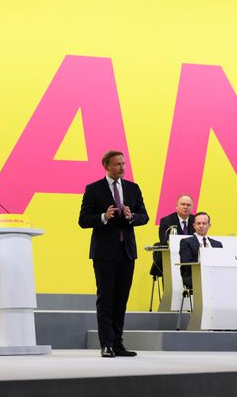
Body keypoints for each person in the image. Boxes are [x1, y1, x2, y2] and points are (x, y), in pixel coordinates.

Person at [78, 150, 149, 358]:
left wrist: (132, 216)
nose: (122, 168)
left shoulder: (133, 188)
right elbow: (83, 220)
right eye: (117, 164)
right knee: (106, 299)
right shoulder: (94, 189)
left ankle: (118, 343)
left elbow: (144, 216)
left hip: (127, 252)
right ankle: (107, 344)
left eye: (123, 164)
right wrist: (103, 216)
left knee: (121, 299)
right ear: (106, 166)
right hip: (104, 253)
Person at [151, 194, 194, 278]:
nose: (185, 207)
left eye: (188, 205)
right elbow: (164, 241)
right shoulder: (166, 221)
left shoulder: (196, 221)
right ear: (176, 206)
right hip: (172, 258)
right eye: (183, 204)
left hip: (191, 260)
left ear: (192, 208)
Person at [179, 212, 223, 289]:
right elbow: (187, 265)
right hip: (195, 278)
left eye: (204, 223)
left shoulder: (217, 244)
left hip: (215, 278)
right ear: (194, 226)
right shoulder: (186, 242)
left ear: (209, 225)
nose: (201, 226)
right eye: (198, 223)